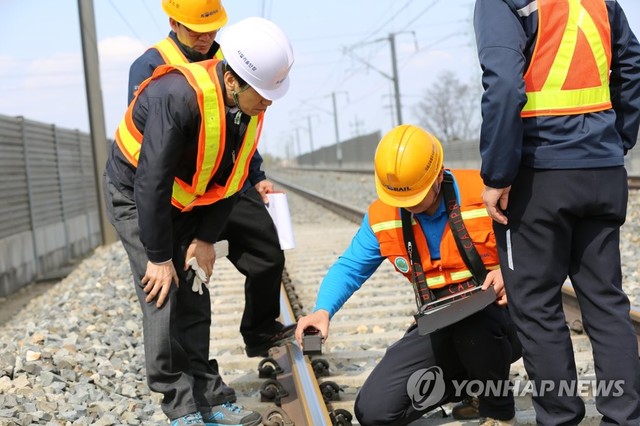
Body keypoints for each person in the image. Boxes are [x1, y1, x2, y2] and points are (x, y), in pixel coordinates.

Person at [103, 16, 294, 426]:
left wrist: (205, 239)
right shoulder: (178, 95)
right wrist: (158, 256)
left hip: (187, 199)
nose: (269, 103)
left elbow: (233, 178)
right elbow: (150, 182)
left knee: (194, 286)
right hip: (137, 195)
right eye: (262, 94)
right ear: (232, 83)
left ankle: (210, 394)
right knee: (164, 290)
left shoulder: (249, 105)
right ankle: (181, 405)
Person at [474, 0, 640, 424]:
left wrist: (498, 173)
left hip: (539, 173)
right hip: (601, 170)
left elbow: (505, 86)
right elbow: (631, 64)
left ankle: (561, 417)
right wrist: (614, 141)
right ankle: (626, 417)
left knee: (535, 306)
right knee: (605, 303)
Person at [295, 124, 522, 426]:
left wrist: (509, 272)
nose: (408, 206)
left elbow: (539, 240)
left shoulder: (484, 193)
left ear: (439, 175)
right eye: (400, 199)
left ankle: (498, 411)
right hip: (441, 319)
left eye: (417, 197)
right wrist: (322, 310)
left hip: (502, 317)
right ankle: (471, 385)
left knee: (475, 327)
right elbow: (349, 266)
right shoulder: (383, 215)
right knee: (374, 412)